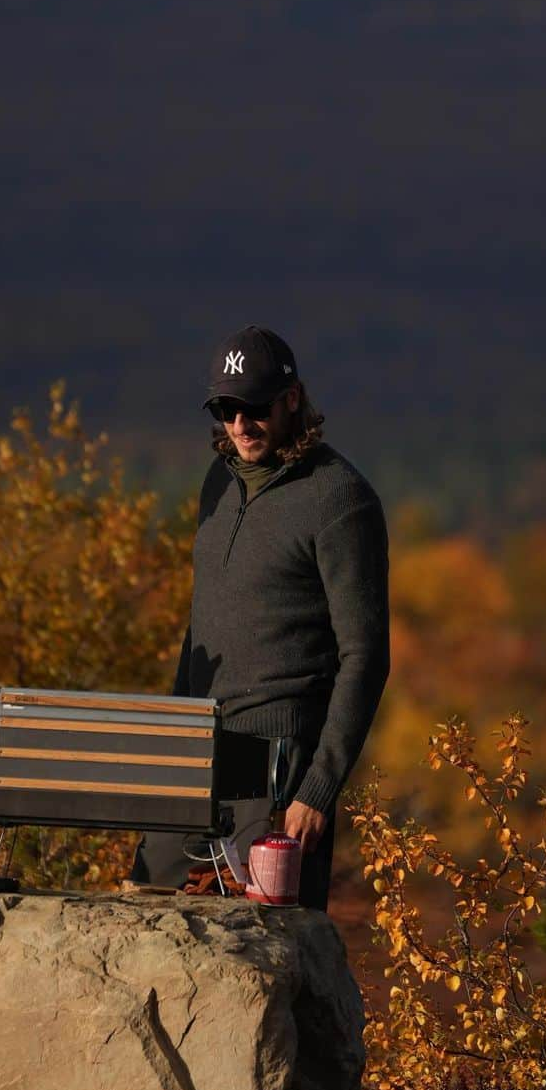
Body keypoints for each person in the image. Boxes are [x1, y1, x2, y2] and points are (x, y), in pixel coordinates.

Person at [129, 327, 389, 909]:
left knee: (268, 955)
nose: (239, 425)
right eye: (226, 409)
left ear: (292, 399)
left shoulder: (340, 500)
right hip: (197, 751)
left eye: (253, 408)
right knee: (146, 909)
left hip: (279, 770)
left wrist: (318, 791)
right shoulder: (218, 483)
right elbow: (201, 625)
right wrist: (171, 741)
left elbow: (366, 657)